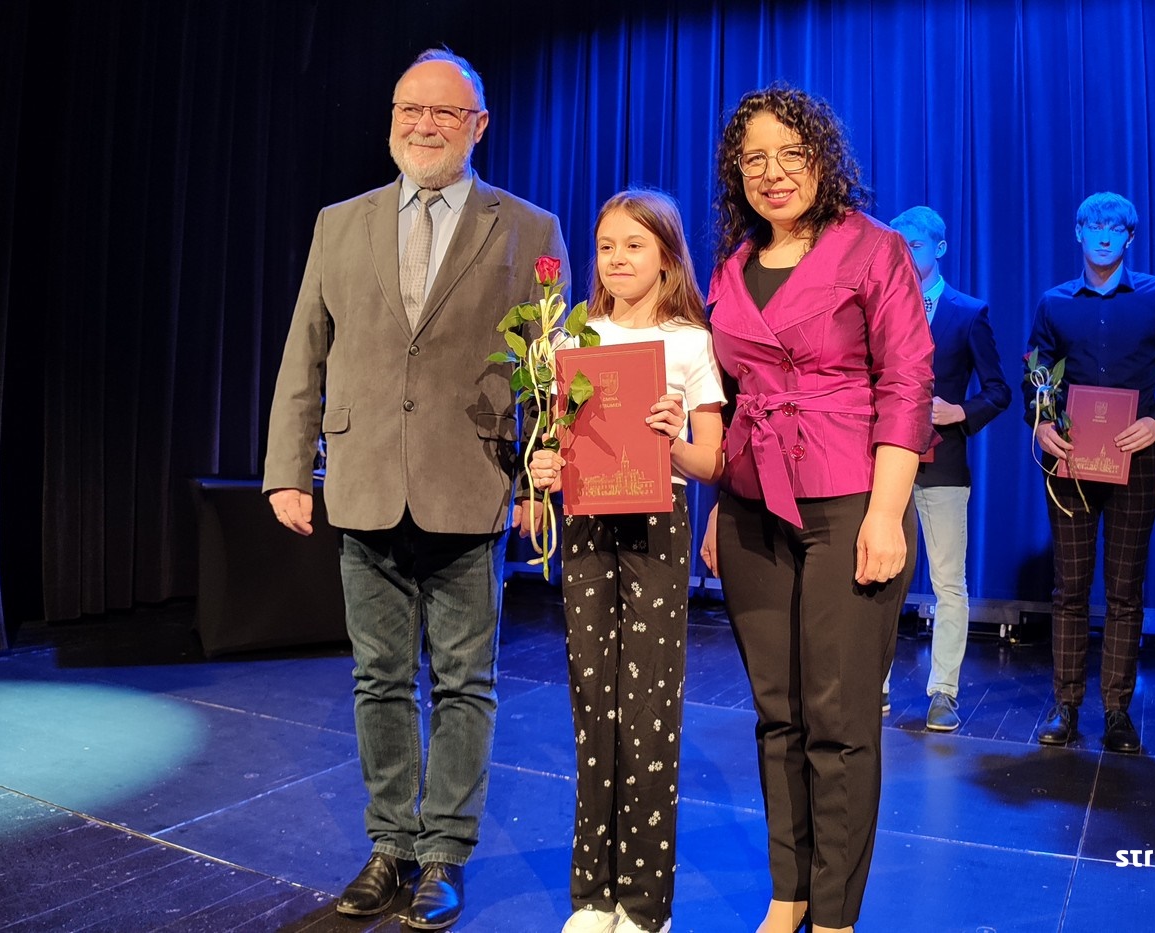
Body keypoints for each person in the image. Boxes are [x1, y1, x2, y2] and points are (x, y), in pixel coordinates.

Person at [262, 49, 568, 931]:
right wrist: (287, 467)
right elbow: (304, 350)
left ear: (479, 126)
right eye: (410, 109)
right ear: (392, 117)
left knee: (466, 681)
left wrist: (540, 478)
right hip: (364, 481)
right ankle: (390, 844)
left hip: (472, 484)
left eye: (444, 112)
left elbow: (548, 368)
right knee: (379, 679)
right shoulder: (339, 223)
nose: (423, 125)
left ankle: (445, 854)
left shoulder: (529, 228)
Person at [699, 85, 934, 933]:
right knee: (778, 713)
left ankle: (834, 911)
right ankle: (788, 891)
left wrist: (886, 513)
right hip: (751, 505)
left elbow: (907, 383)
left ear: (822, 160)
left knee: (838, 717)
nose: (773, 173)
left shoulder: (874, 249)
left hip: (850, 499)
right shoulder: (731, 267)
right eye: (754, 159)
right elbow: (726, 399)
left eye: (790, 155)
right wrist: (717, 509)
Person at [527, 189, 725, 933]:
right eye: (606, 245)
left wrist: (673, 440)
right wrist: (543, 467)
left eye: (634, 245)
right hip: (586, 523)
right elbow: (554, 441)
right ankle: (593, 894)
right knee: (592, 705)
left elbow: (712, 460)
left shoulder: (690, 342)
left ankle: (643, 904)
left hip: (656, 524)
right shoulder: (571, 337)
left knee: (647, 712)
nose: (616, 258)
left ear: (667, 257)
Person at [1023, 192, 1155, 755]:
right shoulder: (1054, 302)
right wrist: (1040, 424)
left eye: (1115, 228)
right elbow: (1035, 376)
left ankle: (1117, 711)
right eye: (1093, 225)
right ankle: (1066, 705)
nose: (1103, 235)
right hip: (1070, 459)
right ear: (1078, 232)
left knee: (1124, 591)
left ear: (1130, 237)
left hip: (1137, 457)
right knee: (1069, 589)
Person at [882, 206, 1010, 731]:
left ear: (939, 248)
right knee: (880, 576)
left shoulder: (968, 312)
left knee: (948, 583)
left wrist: (961, 411)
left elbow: (999, 390)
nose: (905, 254)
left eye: (913, 245)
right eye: (899, 245)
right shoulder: (879, 307)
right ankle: (874, 684)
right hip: (885, 463)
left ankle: (943, 692)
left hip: (943, 466)